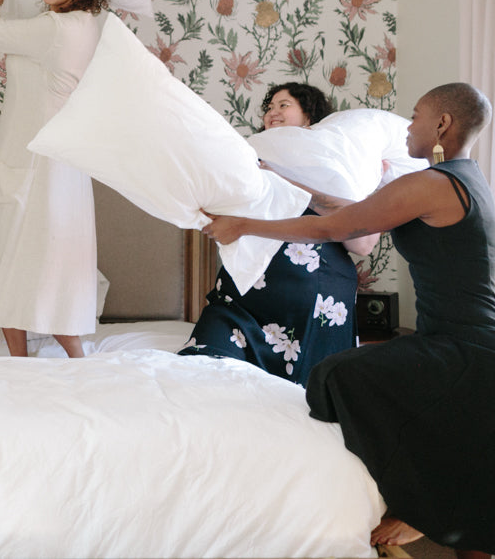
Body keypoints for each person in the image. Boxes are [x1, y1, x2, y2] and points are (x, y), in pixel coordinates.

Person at [201, 82, 495, 557]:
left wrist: (243, 224)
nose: (406, 128)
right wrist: (277, 177)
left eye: (417, 116)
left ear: (443, 124)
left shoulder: (432, 183)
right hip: (465, 342)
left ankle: (413, 507)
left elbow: (333, 228)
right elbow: (344, 210)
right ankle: (424, 506)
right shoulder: (462, 178)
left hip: (463, 349)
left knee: (336, 375)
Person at [179, 82, 379, 385]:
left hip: (315, 292)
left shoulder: (337, 162)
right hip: (244, 295)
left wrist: (283, 180)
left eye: (283, 105)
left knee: (302, 397)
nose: (272, 113)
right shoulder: (248, 158)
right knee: (204, 368)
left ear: (309, 116)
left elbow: (363, 243)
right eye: (269, 108)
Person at [0, 0, 108, 358]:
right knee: (37, 261)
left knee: (21, 259)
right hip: (52, 162)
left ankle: (46, 359)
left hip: (34, 163)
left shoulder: (55, 29)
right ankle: (47, 359)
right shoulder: (90, 24)